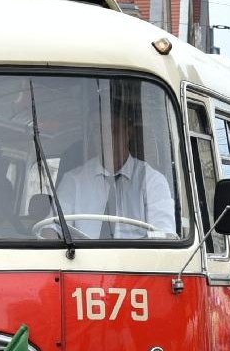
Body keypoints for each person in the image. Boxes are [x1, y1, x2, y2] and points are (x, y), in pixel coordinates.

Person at [56, 90, 176, 240]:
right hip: (79, 260)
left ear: (128, 132)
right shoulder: (73, 181)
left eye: (113, 129)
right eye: (98, 130)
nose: (105, 137)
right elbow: (51, 229)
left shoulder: (152, 181)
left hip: (138, 262)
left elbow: (165, 234)